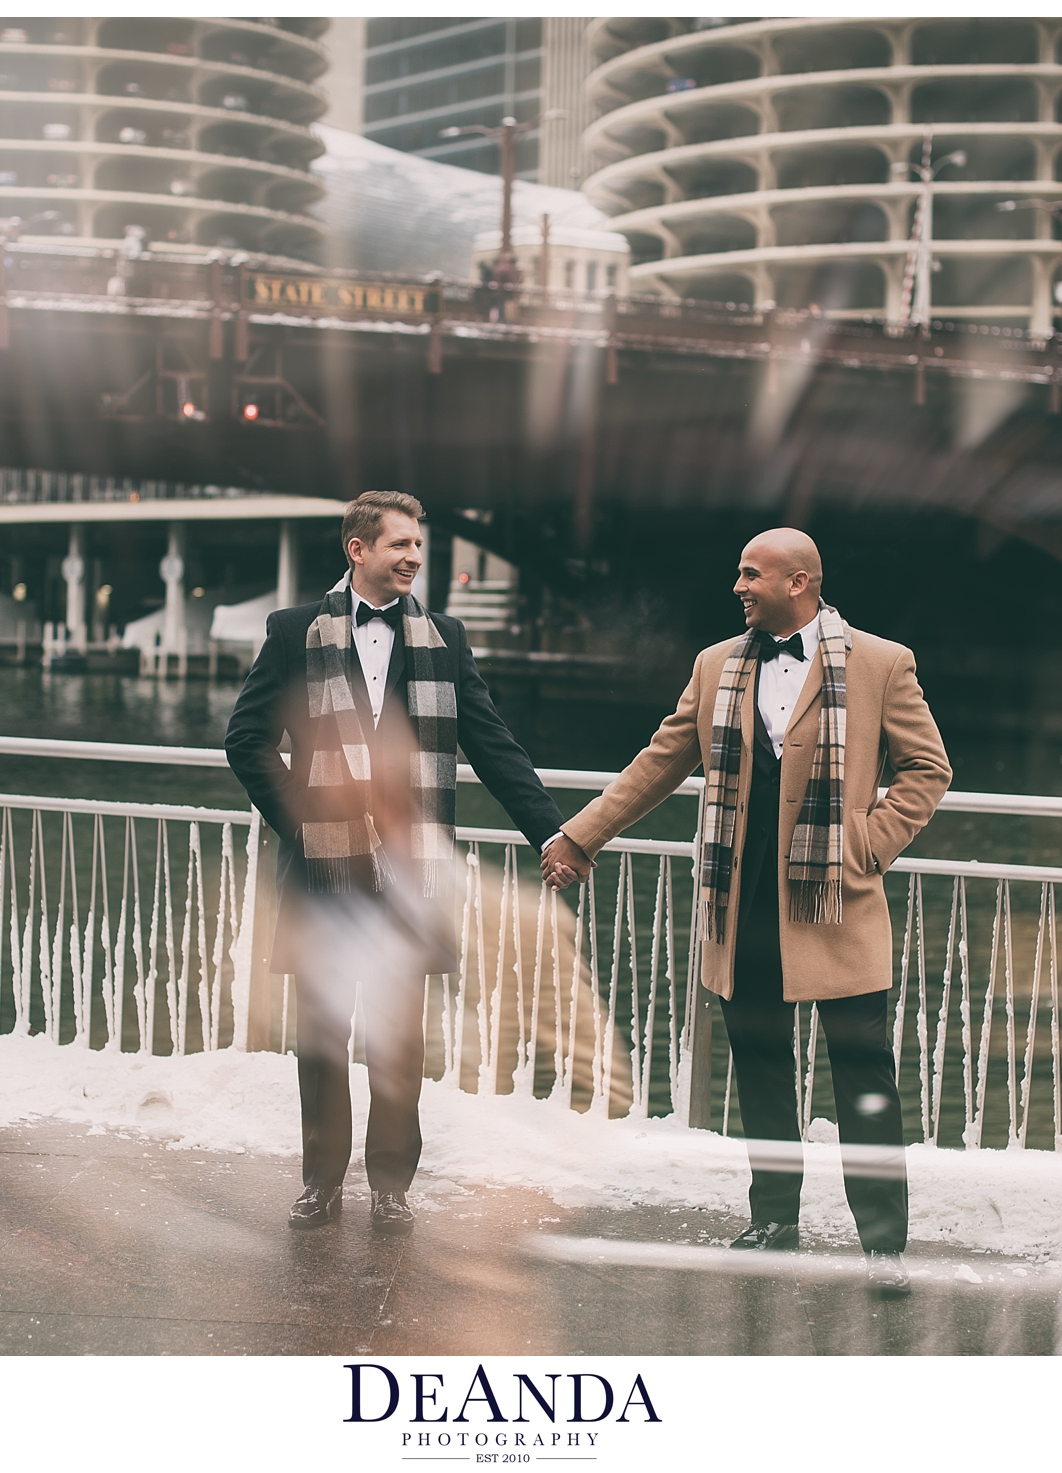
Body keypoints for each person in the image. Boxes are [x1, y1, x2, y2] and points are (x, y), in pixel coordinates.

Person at [543, 528, 949, 1295]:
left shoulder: (882, 663)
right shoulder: (716, 664)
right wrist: (581, 834)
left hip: (838, 903)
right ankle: (774, 1220)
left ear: (799, 581)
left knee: (865, 1079)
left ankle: (884, 1244)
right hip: (742, 901)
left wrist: (868, 842)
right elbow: (661, 760)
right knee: (762, 1071)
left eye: (750, 573)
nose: (738, 585)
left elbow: (929, 767)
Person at [225, 491, 566, 1236]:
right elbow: (247, 739)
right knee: (320, 1039)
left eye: (419, 545)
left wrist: (551, 832)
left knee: (398, 1041)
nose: (413, 556)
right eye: (400, 544)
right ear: (358, 549)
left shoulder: (444, 637)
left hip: (409, 879)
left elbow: (493, 745)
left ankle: (390, 1185)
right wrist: (301, 824)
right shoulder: (292, 632)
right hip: (320, 876)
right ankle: (320, 1184)